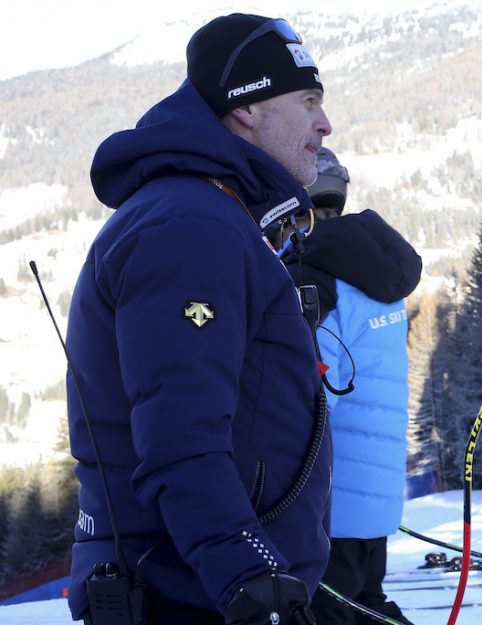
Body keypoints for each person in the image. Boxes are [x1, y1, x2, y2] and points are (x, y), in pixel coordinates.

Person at [66, 13, 333, 625]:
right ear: (247, 107)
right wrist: (250, 576)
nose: (324, 123)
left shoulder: (211, 213)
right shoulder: (190, 225)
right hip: (191, 592)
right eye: (308, 100)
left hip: (201, 582)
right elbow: (180, 432)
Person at [282, 148, 422, 625]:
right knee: (365, 608)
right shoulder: (373, 274)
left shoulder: (314, 280)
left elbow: (313, 401)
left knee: (333, 614)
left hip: (331, 501)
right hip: (373, 493)